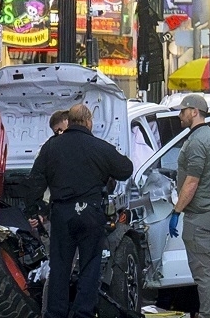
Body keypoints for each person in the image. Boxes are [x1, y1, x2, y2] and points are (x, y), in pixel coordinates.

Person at [25, 103, 133, 318]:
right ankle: (83, 312)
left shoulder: (51, 147)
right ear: (88, 121)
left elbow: (35, 179)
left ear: (71, 121)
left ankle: (55, 313)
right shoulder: (99, 147)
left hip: (62, 214)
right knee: (90, 266)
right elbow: (125, 169)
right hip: (91, 213)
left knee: (60, 267)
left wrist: (33, 209)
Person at [168, 94, 210, 318]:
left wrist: (176, 211)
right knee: (206, 269)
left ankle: (207, 315)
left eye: (183, 111)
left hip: (199, 214)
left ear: (194, 111)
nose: (180, 115)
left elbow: (192, 182)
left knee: (203, 273)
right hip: (209, 211)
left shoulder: (199, 141)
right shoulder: (208, 137)